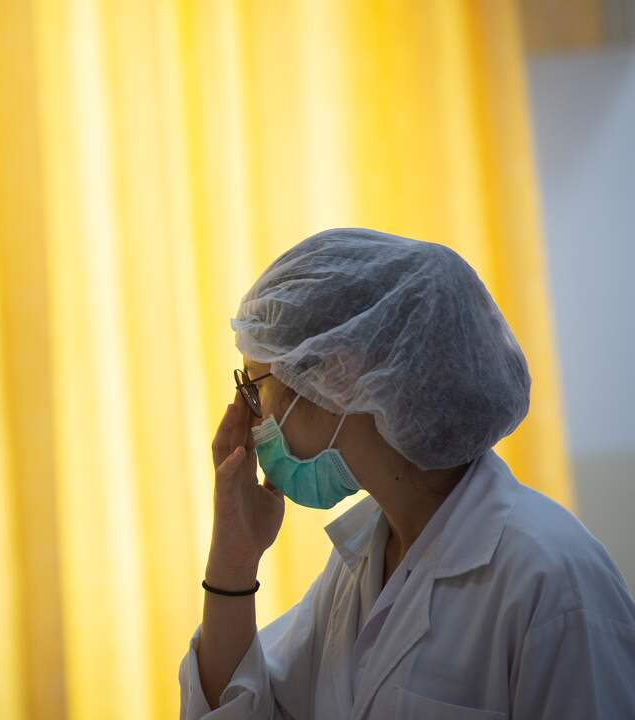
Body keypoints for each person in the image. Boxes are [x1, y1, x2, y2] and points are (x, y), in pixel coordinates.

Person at [179, 228, 635, 719]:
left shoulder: (552, 579)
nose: (247, 419)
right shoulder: (364, 566)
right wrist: (233, 557)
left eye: (255, 387)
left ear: (339, 375)